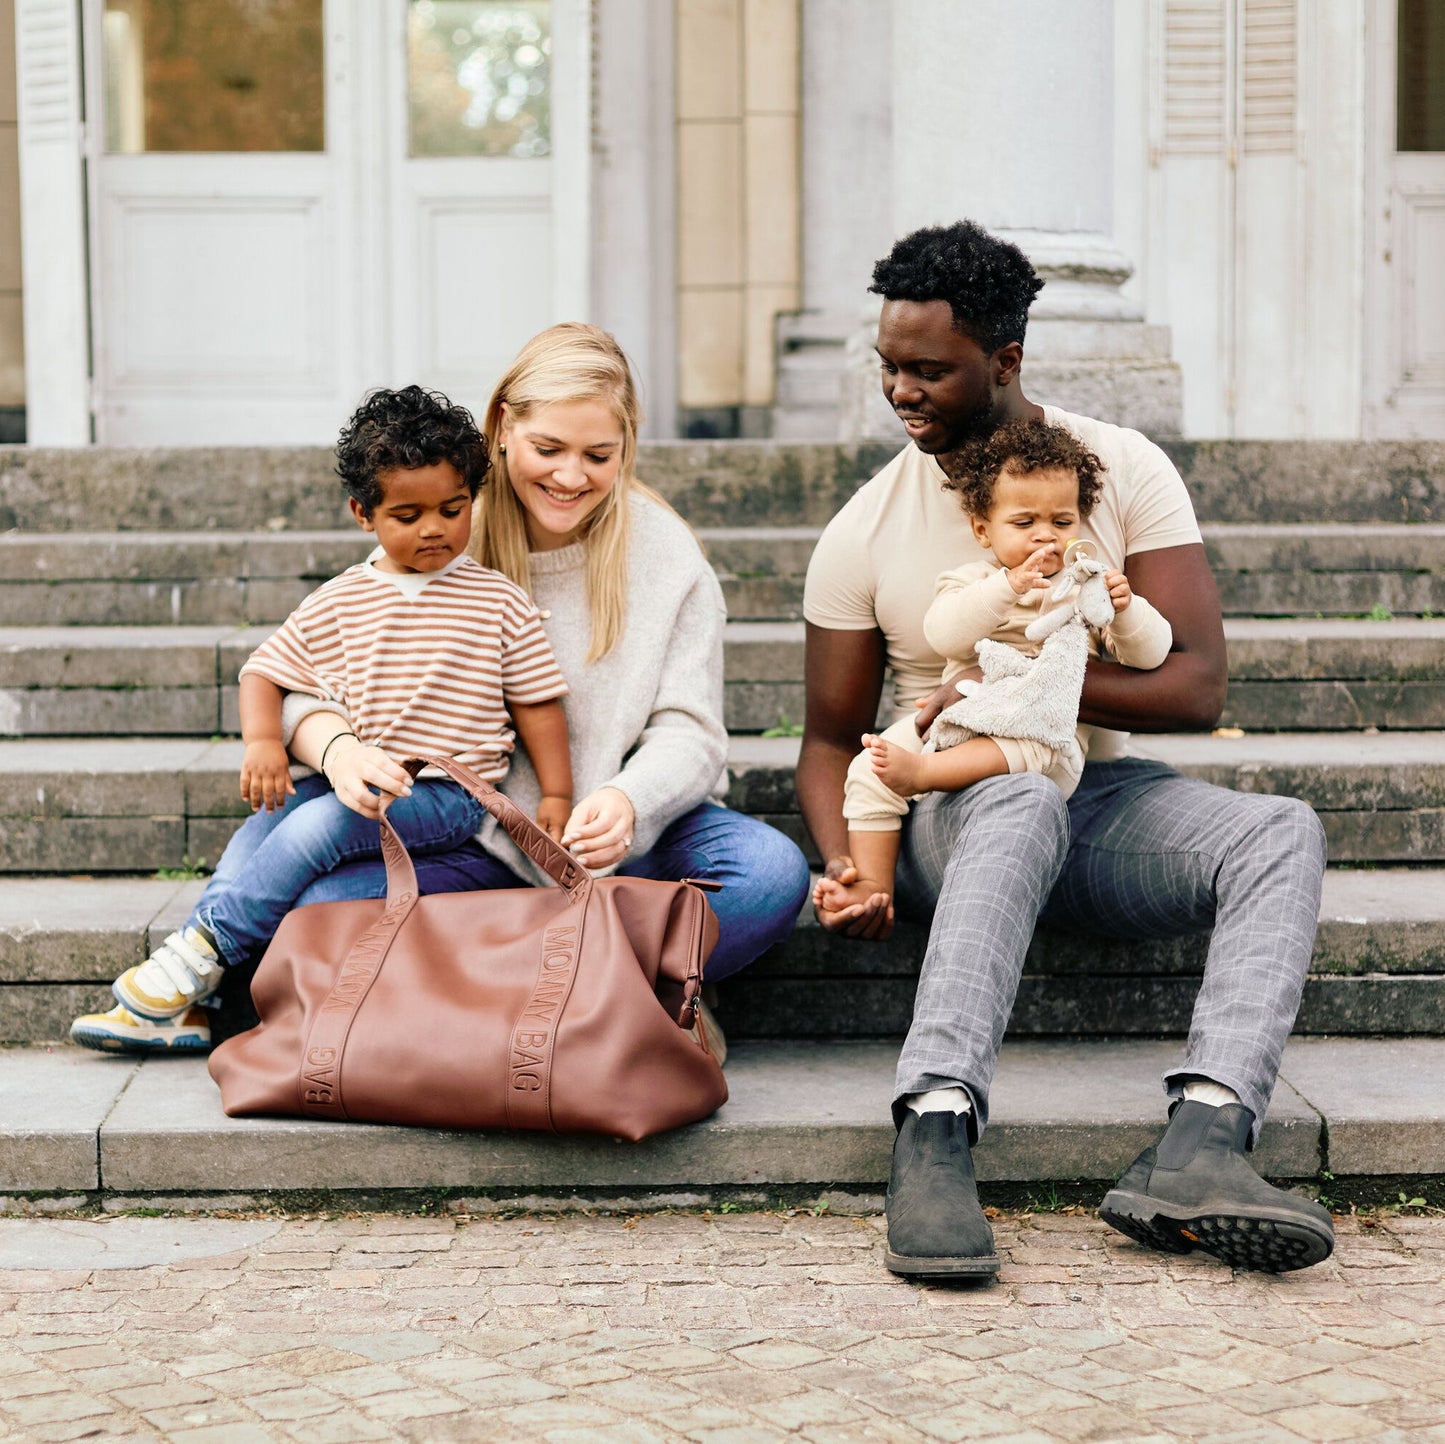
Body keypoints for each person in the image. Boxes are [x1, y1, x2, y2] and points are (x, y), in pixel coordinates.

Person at [799, 220, 1333, 1279]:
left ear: (1004, 361)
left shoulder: (1118, 472)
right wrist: (845, 863)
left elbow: (1191, 680)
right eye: (887, 368)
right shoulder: (863, 530)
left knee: (1278, 832)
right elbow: (826, 736)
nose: (900, 391)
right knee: (1014, 799)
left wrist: (1033, 680)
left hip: (1082, 786)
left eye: (928, 371)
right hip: (946, 797)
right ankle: (935, 1128)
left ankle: (1203, 1138)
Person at [76, 323, 812, 1055]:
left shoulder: (664, 553)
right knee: (311, 901)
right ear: (502, 429)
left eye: (598, 455)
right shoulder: (445, 523)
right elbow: (308, 683)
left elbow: (691, 732)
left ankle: (539, 984)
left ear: (628, 447)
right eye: (547, 449)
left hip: (612, 842)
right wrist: (337, 752)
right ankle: (620, 987)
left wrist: (626, 800)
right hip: (468, 841)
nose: (570, 476)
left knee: (770, 874)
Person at [72, 386, 572, 1052]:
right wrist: (262, 744)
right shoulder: (340, 599)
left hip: (446, 794)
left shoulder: (494, 599)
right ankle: (194, 1003)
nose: (434, 529)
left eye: (453, 510)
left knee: (323, 827)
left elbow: (537, 700)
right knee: (255, 842)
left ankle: (200, 952)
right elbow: (264, 670)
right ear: (362, 513)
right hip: (352, 781)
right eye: (408, 514)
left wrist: (559, 792)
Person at [815, 417, 1172, 920]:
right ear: (983, 529)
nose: (1044, 537)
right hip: (958, 720)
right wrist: (1008, 587)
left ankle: (923, 774)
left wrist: (1128, 607)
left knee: (1024, 749)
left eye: (1062, 523)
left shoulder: (1082, 593)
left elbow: (1150, 655)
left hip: (1041, 737)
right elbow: (944, 632)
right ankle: (872, 885)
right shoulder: (971, 582)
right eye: (1024, 524)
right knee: (869, 769)